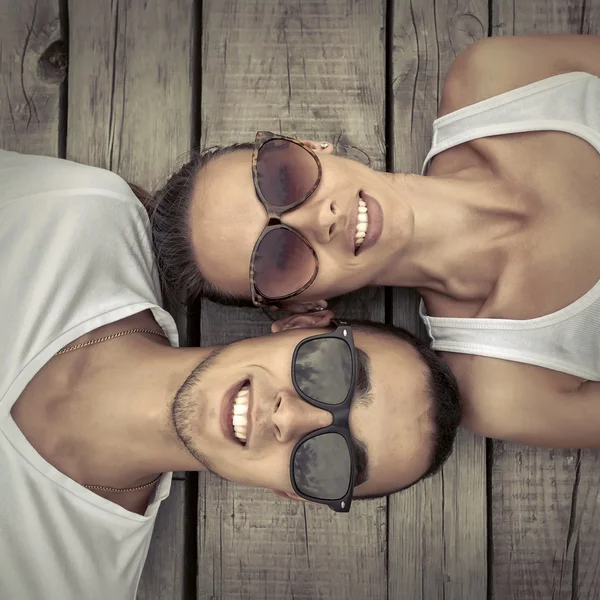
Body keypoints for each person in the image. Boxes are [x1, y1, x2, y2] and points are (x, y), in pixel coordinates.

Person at [0, 149, 460, 599]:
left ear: (296, 494)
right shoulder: (73, 216)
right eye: (330, 371)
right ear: (301, 325)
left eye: (331, 463)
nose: (291, 419)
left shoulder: (72, 586)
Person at [151, 34, 600, 450]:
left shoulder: (501, 77)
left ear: (306, 145)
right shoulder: (506, 384)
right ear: (305, 308)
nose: (319, 218)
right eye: (279, 257)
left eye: (283, 177)